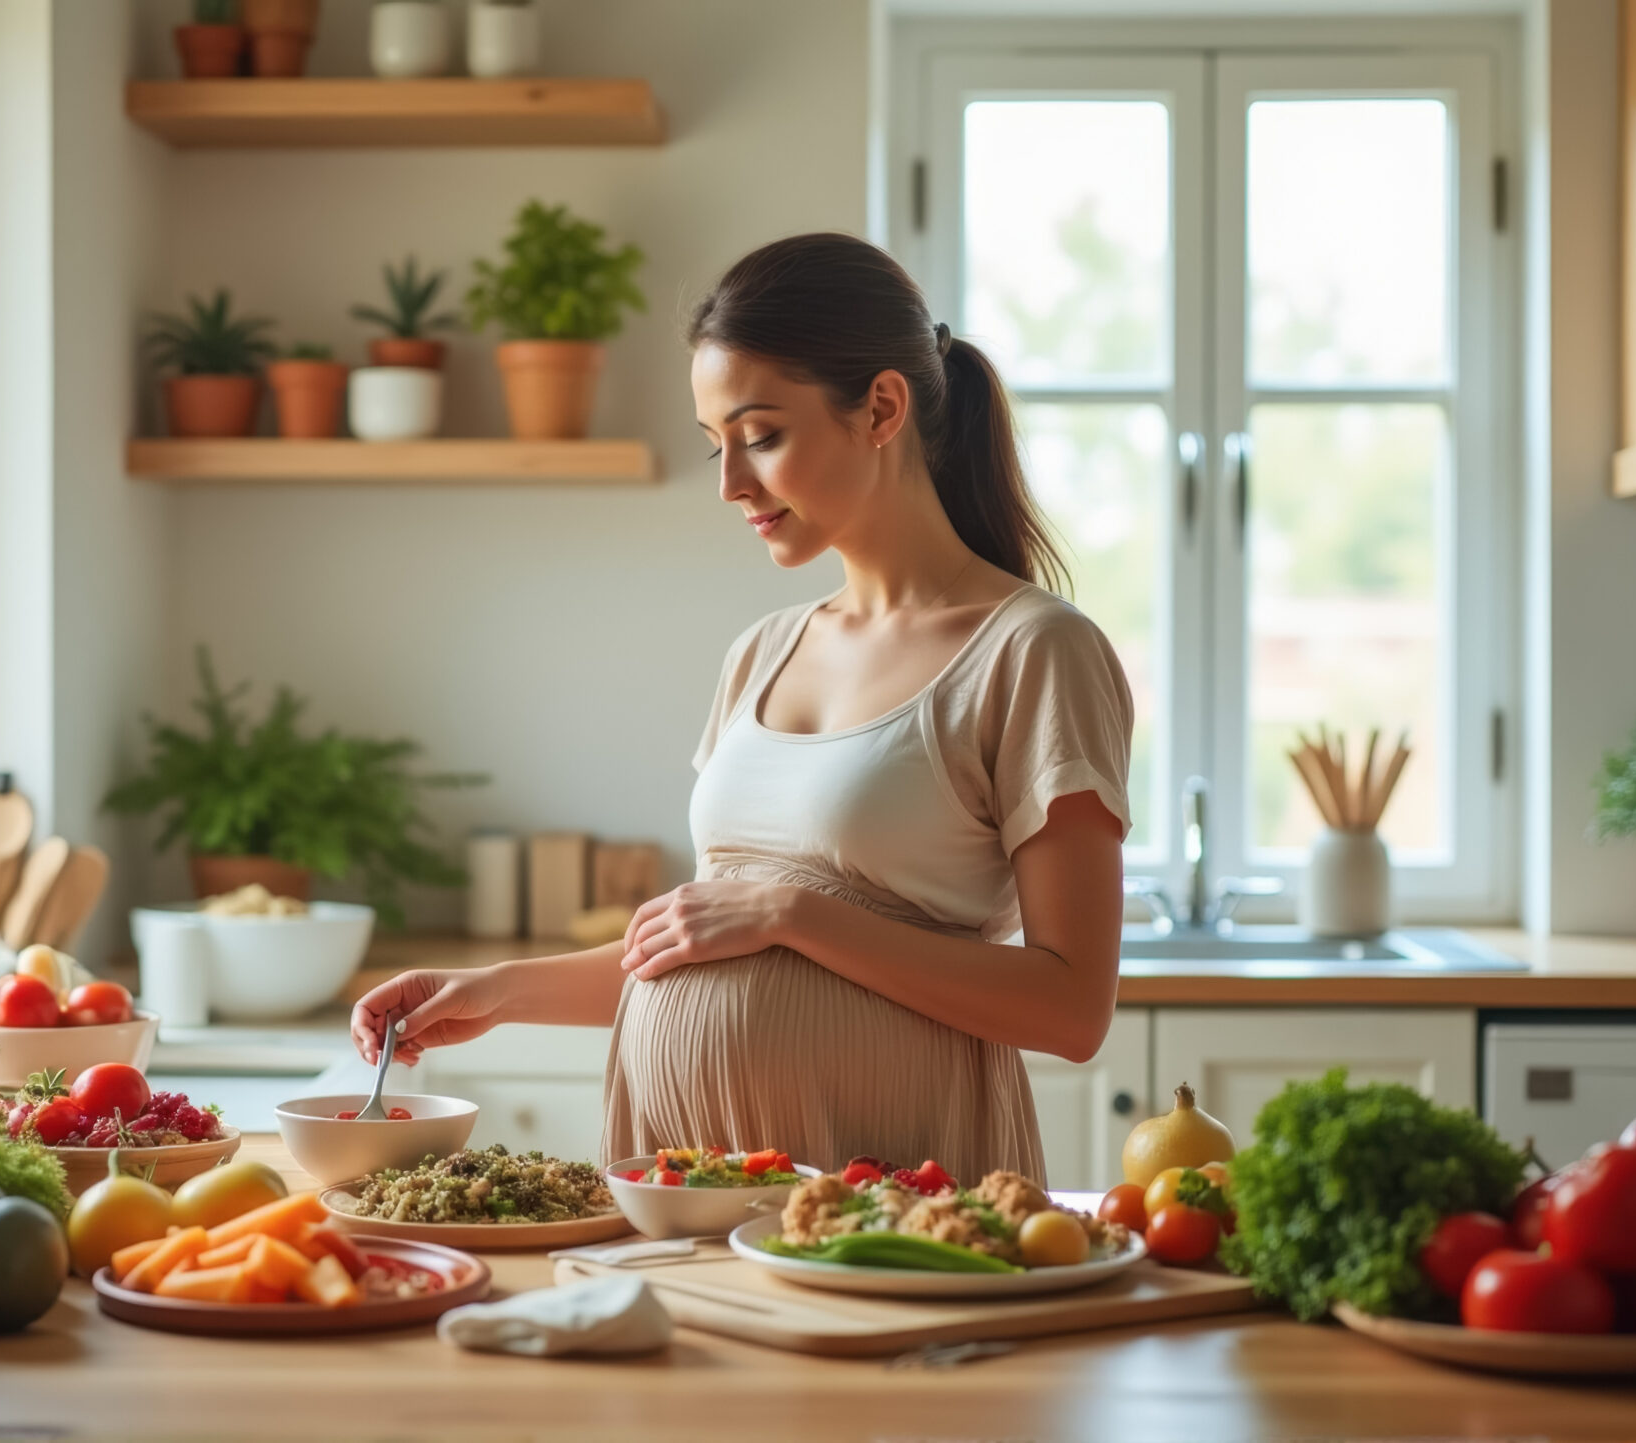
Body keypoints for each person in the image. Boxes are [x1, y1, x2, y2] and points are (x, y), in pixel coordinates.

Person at [349, 233, 1132, 1182]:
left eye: (761, 436)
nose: (730, 483)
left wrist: (798, 913)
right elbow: (706, 943)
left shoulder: (1033, 650)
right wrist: (492, 990)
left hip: (894, 1203)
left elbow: (1071, 1008)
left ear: (881, 408)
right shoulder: (761, 654)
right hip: (682, 1188)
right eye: (717, 444)